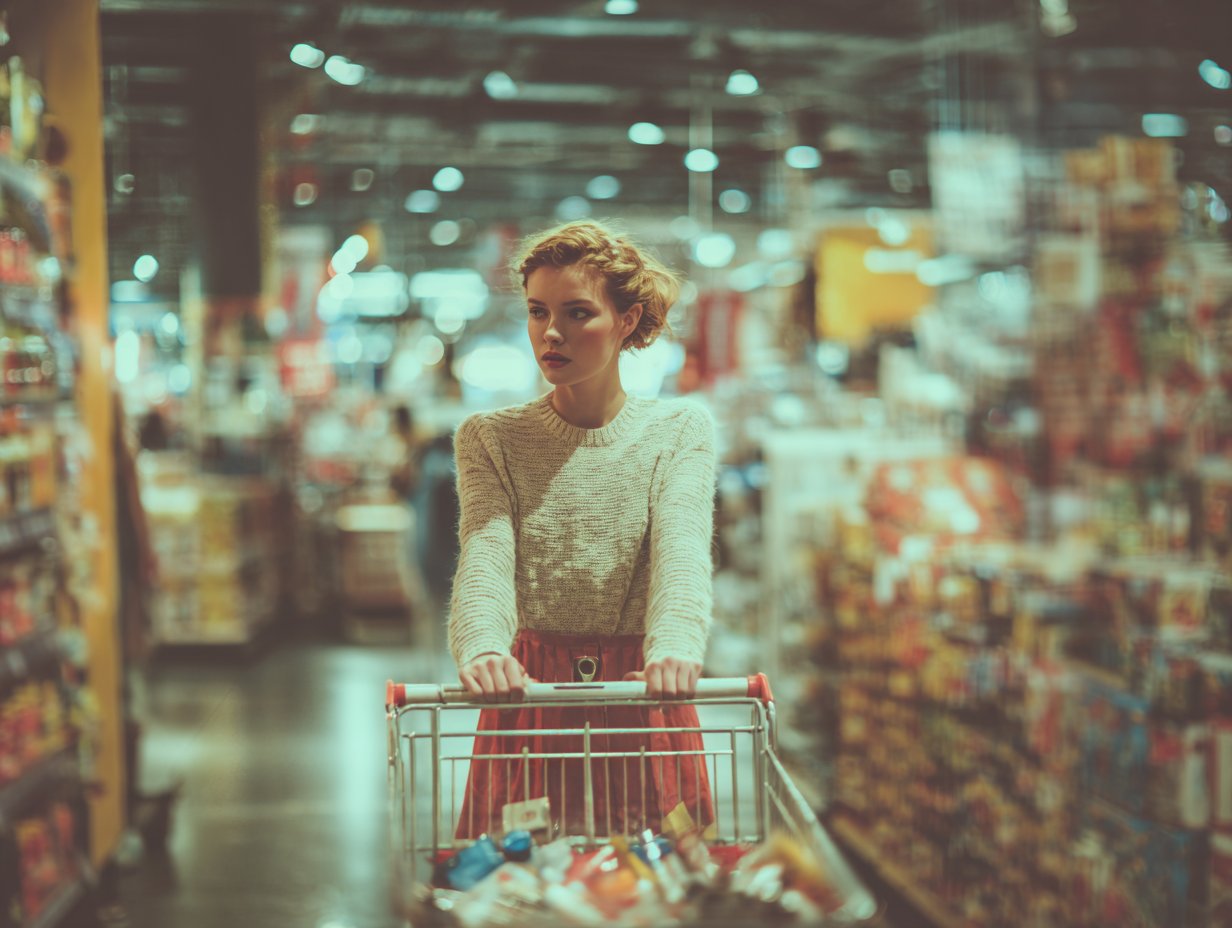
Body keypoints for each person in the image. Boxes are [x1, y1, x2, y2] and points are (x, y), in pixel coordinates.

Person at [448, 220, 717, 840]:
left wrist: (675, 645)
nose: (551, 332)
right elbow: (485, 553)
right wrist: (483, 647)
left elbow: (682, 550)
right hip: (530, 693)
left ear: (627, 320)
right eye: (538, 311)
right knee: (526, 884)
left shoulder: (679, 430)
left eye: (577, 312)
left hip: (643, 689)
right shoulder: (489, 437)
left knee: (659, 885)